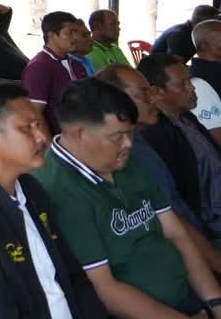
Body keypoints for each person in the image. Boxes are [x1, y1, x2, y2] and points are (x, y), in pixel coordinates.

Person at [32, 79, 221, 317]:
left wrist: (216, 302)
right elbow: (105, 289)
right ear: (80, 134)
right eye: (118, 136)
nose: (129, 143)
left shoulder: (123, 161)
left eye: (130, 133)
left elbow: (177, 234)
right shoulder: (57, 189)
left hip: (186, 292)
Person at [0, 83, 107, 318]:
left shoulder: (31, 189)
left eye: (38, 125)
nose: (42, 137)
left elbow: (74, 277)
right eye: (27, 128)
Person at [95, 65, 221, 270]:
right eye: (143, 94)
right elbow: (172, 219)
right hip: (192, 254)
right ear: (113, 101)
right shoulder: (131, 150)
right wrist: (215, 262)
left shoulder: (141, 139)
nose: (154, 99)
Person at [138, 53, 221, 239]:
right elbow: (178, 200)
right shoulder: (157, 136)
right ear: (157, 92)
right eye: (183, 83)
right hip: (210, 226)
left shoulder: (186, 118)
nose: (191, 87)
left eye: (189, 80)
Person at [24, 11, 87, 136]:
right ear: (51, 35)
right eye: (69, 33)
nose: (75, 38)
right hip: (59, 139)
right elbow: (35, 113)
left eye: (75, 32)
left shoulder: (76, 64)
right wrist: (49, 144)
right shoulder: (39, 66)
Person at [154, 5, 219, 63]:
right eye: (212, 25)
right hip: (159, 70)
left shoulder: (197, 33)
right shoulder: (178, 35)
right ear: (202, 23)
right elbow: (176, 64)